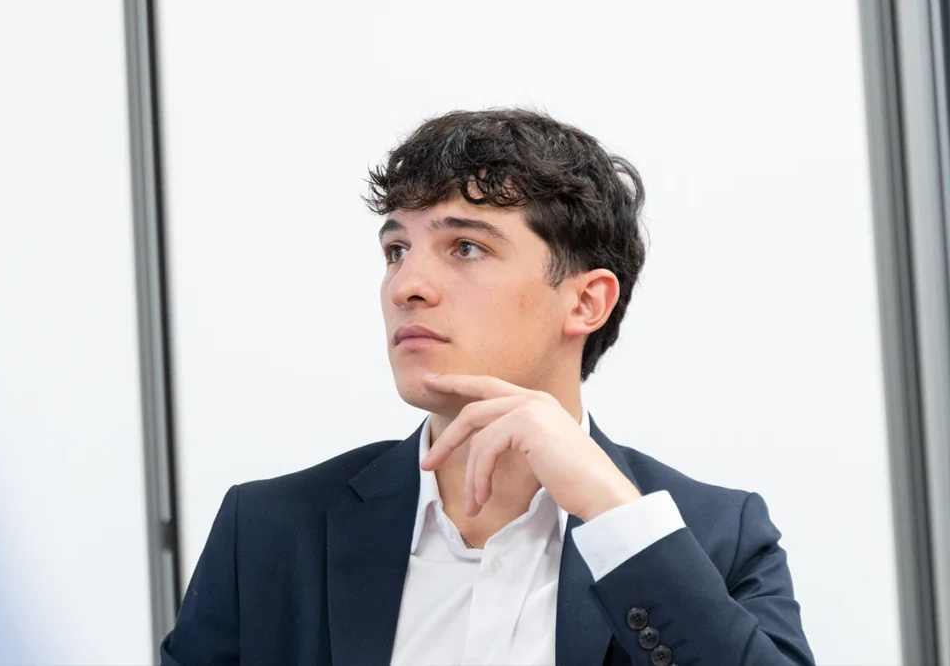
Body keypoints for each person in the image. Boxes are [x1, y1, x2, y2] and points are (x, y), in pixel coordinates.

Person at [160, 108, 815, 666]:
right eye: (396, 250)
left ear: (586, 301)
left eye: (465, 247)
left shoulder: (714, 538)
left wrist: (613, 514)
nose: (406, 285)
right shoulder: (270, 533)